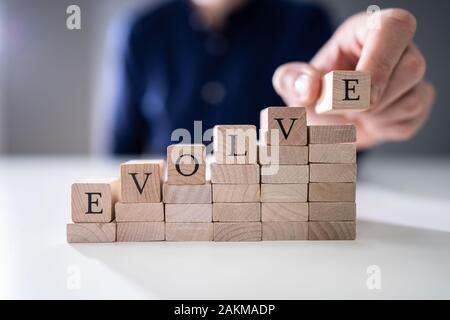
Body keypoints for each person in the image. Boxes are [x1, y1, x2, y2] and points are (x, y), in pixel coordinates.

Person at [111, 0, 434, 155]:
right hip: (170, 221)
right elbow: (119, 152)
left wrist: (360, 127)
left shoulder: (308, 22)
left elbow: (342, 139)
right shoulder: (141, 32)